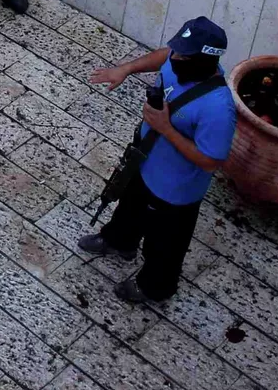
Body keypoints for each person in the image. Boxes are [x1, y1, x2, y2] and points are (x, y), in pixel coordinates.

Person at [77, 17, 236, 305]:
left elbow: (210, 162)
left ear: (204, 61)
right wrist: (126, 68)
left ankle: (153, 287)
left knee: (164, 245)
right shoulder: (178, 61)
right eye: (177, 51)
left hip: (175, 191)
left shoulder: (218, 109)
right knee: (129, 208)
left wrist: (165, 128)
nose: (175, 58)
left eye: (183, 56)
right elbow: (164, 56)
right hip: (144, 162)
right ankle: (119, 242)